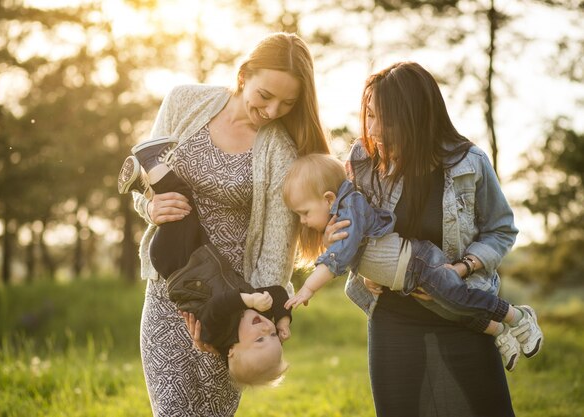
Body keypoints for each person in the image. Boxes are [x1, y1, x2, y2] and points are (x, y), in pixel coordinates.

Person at [129, 32, 329, 416]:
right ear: (244, 75)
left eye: (287, 103)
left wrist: (253, 319)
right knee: (170, 410)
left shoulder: (280, 149)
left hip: (232, 302)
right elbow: (143, 174)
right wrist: (150, 208)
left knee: (212, 412)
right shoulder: (184, 101)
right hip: (171, 288)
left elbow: (276, 245)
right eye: (265, 95)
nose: (272, 111)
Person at [335, 61, 521, 416]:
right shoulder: (362, 161)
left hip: (464, 311)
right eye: (369, 115)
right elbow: (350, 226)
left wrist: (462, 268)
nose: (371, 129)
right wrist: (361, 266)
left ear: (415, 116)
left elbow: (501, 229)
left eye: (382, 119)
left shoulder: (470, 162)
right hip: (393, 316)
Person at [282, 154, 543, 372]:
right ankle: (499, 331)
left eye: (303, 213)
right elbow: (359, 253)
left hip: (418, 263)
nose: (302, 221)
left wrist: (308, 288)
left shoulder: (351, 208)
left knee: (457, 298)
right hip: (406, 280)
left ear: (329, 198)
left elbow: (339, 256)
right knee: (450, 311)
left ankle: (517, 315)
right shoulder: (340, 216)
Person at [118, 142, 292, 387]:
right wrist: (283, 317)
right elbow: (277, 292)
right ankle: (142, 186)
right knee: (183, 210)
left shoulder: (217, 333)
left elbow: (217, 308)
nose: (266, 329)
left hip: (175, 260)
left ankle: (150, 160)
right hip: (197, 253)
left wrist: (248, 300)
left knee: (183, 201)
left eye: (260, 340)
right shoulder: (253, 311)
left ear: (232, 351)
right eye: (273, 335)